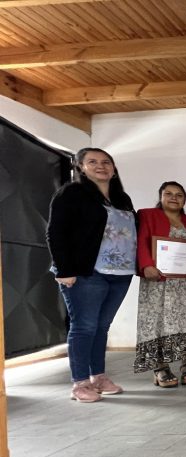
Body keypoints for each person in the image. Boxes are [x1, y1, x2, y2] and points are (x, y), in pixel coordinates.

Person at [46, 147, 136, 403]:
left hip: (120, 273)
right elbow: (56, 232)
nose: (101, 166)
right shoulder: (72, 193)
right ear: (81, 167)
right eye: (93, 162)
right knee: (84, 326)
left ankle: (98, 377)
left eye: (106, 162)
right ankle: (80, 383)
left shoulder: (122, 198)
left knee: (101, 327)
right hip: (86, 272)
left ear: (114, 167)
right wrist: (65, 269)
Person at [134, 181, 186, 387]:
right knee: (159, 322)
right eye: (168, 193)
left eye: (179, 195)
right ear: (160, 196)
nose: (174, 197)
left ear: (184, 199)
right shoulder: (147, 215)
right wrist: (146, 266)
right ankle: (160, 367)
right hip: (157, 281)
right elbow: (142, 241)